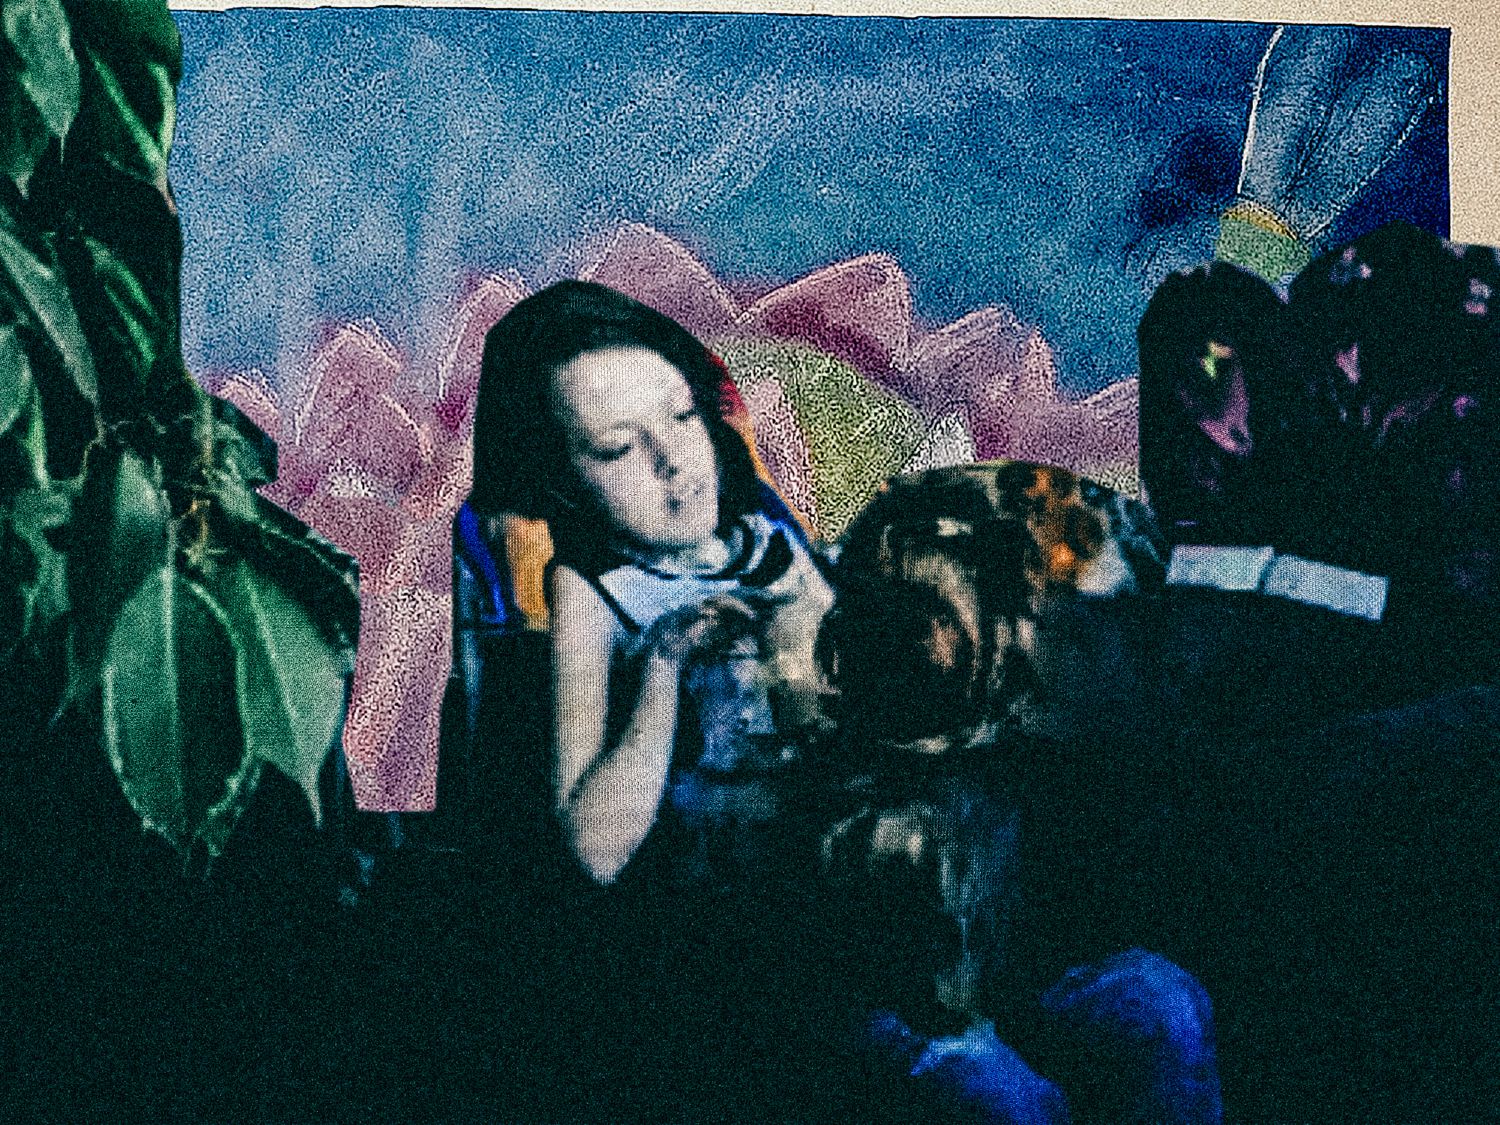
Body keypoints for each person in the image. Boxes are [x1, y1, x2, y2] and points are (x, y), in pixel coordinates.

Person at [468, 278, 835, 1119]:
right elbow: (593, 850)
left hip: (815, 908)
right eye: (616, 449)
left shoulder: (774, 549)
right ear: (560, 479)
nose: (675, 463)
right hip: (686, 952)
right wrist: (664, 666)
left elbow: (849, 734)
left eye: (681, 417)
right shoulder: (592, 592)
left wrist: (798, 635)